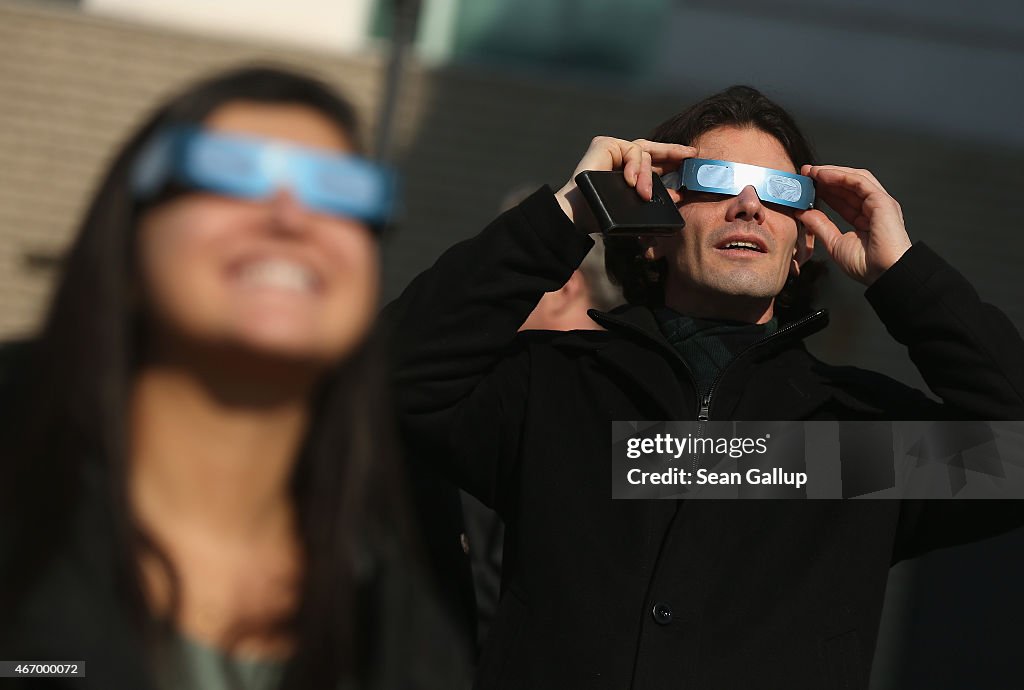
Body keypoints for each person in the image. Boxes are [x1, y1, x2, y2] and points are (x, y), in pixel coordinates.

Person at [384, 85, 1024, 688]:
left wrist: (902, 273)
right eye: (716, 181)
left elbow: (1014, 457)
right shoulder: (552, 386)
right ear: (654, 231)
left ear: (801, 244)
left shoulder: (854, 436)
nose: (749, 205)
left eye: (778, 191)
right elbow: (386, 378)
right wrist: (572, 211)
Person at [0, 66, 467, 690]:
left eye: (339, 188)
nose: (288, 215)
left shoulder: (400, 611)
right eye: (228, 172)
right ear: (129, 236)